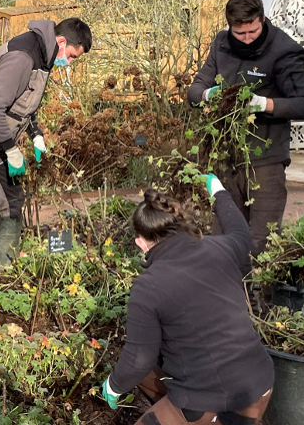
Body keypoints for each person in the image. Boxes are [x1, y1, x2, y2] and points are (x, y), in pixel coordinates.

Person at [100, 178, 274, 425]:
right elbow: (239, 231)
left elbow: (139, 357)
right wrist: (220, 192)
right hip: (259, 382)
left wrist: (114, 385)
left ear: (141, 242)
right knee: (149, 375)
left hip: (209, 398)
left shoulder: (149, 285)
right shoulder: (221, 247)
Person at [0, 18, 92, 293]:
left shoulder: (43, 56)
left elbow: (25, 101)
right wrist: (12, 150)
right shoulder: (23, 57)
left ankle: (6, 266)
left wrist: (36, 133)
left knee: (12, 199)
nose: (69, 63)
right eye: (72, 56)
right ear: (61, 42)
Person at [188, 0, 304, 256]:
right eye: (239, 33)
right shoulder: (222, 43)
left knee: (261, 241)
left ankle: (259, 298)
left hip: (266, 159)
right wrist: (208, 94)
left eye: (252, 32)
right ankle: (225, 295)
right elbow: (194, 91)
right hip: (226, 158)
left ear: (262, 19)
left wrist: (266, 104)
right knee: (223, 235)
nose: (245, 39)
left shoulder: (285, 50)